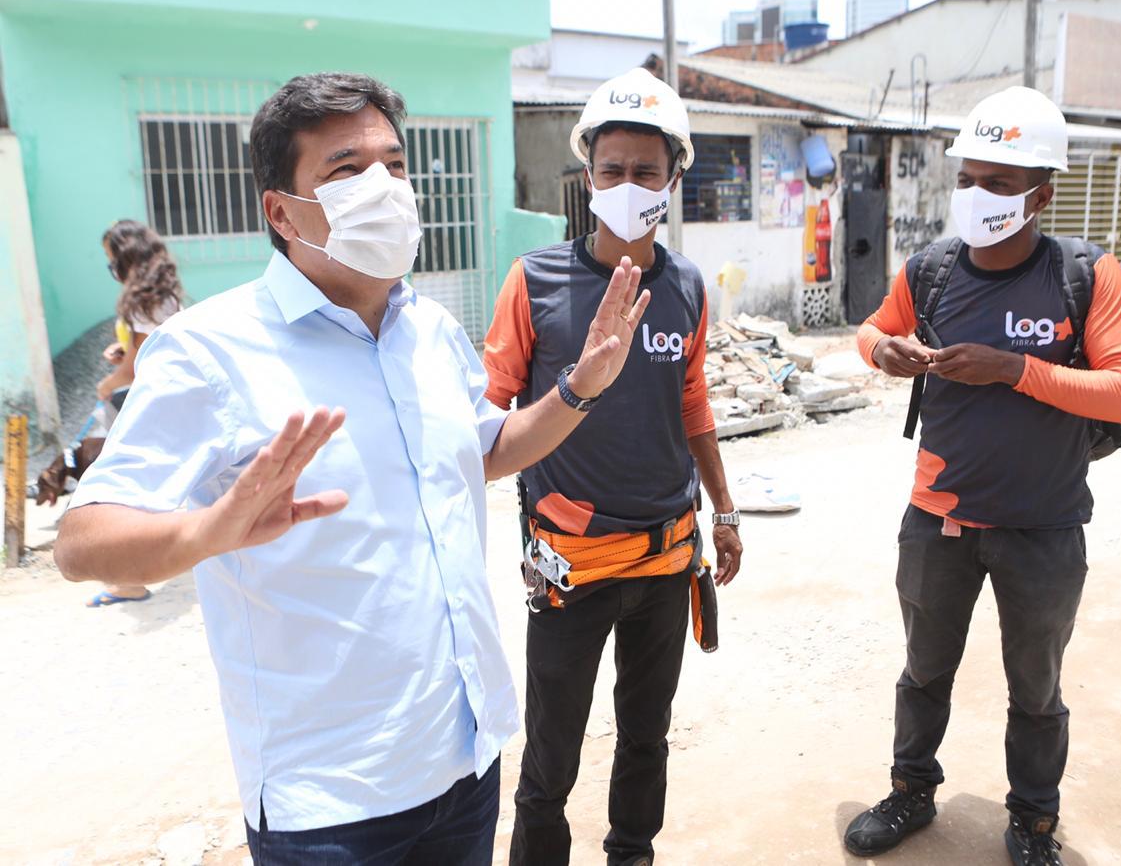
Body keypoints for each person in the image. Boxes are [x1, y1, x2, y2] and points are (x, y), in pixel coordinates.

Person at [54, 71, 653, 865]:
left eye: (395, 166)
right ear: (281, 210)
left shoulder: (431, 331)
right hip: (332, 806)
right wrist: (205, 530)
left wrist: (580, 389)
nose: (385, 188)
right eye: (346, 169)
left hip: (463, 759)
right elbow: (79, 541)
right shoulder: (209, 350)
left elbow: (487, 449)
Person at [842, 86, 1121, 866]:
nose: (978, 196)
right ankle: (912, 789)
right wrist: (885, 351)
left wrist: (1015, 369)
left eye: (1001, 184)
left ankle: (1033, 820)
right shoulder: (934, 270)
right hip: (938, 515)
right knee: (923, 671)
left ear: (1042, 194)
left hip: (1043, 525)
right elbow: (872, 328)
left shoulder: (1085, 275)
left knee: (1036, 689)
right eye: (969, 178)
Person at [484, 67, 744, 866]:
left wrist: (725, 511)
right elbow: (489, 422)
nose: (627, 184)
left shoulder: (688, 287)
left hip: (666, 558)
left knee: (646, 737)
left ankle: (632, 852)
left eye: (645, 170)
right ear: (587, 176)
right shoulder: (534, 281)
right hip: (568, 564)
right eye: (612, 169)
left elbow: (692, 405)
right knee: (550, 758)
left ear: (673, 177)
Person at [79, 220, 185, 606]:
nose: (112, 270)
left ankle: (128, 580)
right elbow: (150, 349)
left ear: (125, 258)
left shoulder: (143, 298)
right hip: (163, 399)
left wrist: (107, 385)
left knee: (123, 493)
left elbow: (141, 363)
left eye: (112, 262)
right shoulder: (163, 294)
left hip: (144, 402)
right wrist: (121, 353)